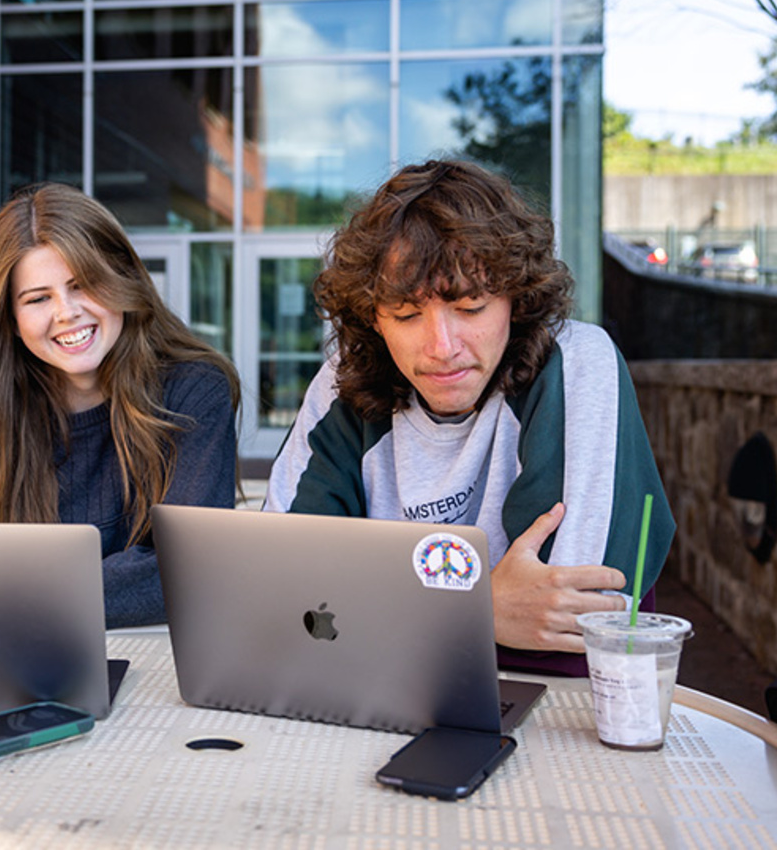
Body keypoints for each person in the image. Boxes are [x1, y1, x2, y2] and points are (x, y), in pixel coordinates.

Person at [263, 159, 674, 673]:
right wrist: (480, 606)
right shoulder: (340, 383)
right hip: (374, 697)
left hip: (560, 716)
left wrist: (372, 607)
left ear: (515, 300)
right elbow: (281, 589)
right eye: (407, 316)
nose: (441, 347)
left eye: (471, 308)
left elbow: (565, 621)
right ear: (374, 318)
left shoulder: (578, 360)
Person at [0, 183, 240, 628]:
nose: (67, 312)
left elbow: (190, 566)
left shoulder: (192, 391)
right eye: (38, 298)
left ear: (122, 281)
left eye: (83, 285)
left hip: (152, 666)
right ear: (9, 320)